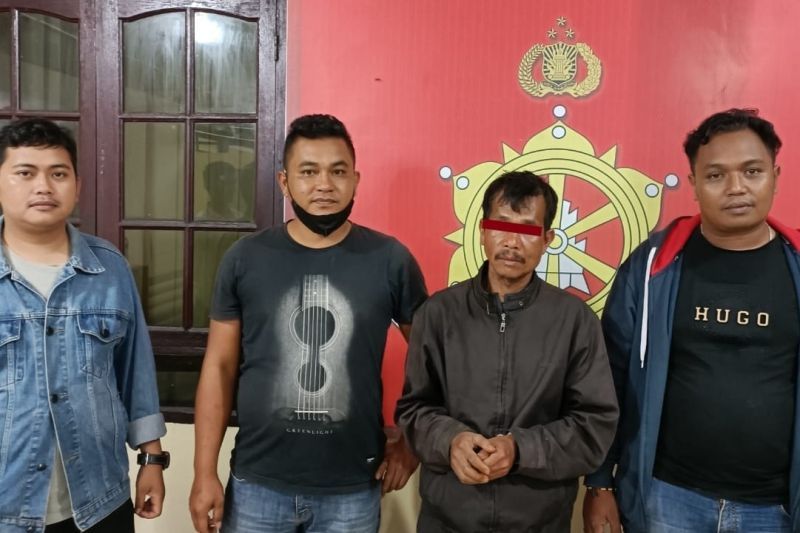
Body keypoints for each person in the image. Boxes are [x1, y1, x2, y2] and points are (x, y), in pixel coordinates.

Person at [189, 114, 427, 533]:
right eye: (308, 172)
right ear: (285, 182)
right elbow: (219, 367)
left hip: (352, 488)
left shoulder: (391, 260)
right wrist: (204, 471)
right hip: (258, 483)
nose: (324, 185)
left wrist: (411, 443)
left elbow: (433, 359)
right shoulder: (245, 259)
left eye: (338, 171)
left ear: (355, 179)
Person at [583, 108, 800, 533]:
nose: (736, 187)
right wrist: (599, 482)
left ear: (775, 176)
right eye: (716, 175)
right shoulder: (652, 267)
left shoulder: (795, 269)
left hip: (775, 508)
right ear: (694, 184)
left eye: (752, 171)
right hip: (667, 498)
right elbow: (610, 378)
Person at [396, 170, 619, 532]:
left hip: (540, 523)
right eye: (501, 226)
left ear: (547, 239)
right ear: (482, 231)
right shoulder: (437, 314)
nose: (512, 242)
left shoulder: (575, 321)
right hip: (448, 520)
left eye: (528, 230)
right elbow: (413, 410)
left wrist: (519, 450)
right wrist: (450, 441)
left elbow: (593, 427)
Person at [0, 118, 168, 533]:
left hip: (98, 499)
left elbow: (135, 371)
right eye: (25, 173)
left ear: (77, 185)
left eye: (58, 174)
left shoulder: (108, 268)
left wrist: (151, 458)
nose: (44, 187)